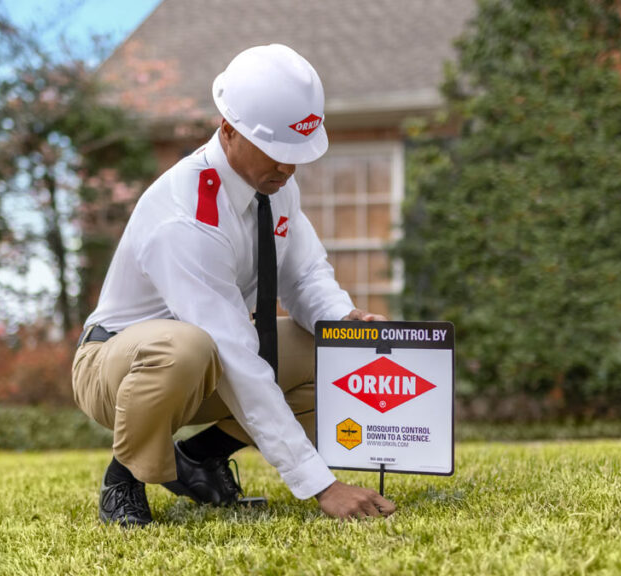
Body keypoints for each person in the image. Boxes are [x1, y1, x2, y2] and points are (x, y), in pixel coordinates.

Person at [72, 43, 396, 527]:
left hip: (207, 358)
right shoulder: (183, 216)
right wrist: (321, 485)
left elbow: (304, 273)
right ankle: (124, 480)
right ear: (228, 130)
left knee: (336, 351)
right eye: (277, 152)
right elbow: (237, 355)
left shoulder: (275, 183)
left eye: (295, 154)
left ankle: (200, 457)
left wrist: (344, 321)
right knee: (185, 347)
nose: (288, 167)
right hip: (115, 366)